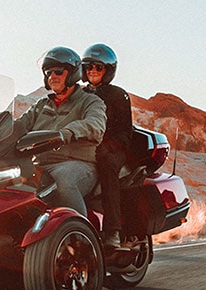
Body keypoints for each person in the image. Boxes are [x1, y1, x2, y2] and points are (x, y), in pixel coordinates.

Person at [13, 46, 107, 218]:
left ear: (72, 74)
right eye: (48, 72)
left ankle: (80, 234)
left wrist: (68, 132)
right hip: (39, 164)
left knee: (64, 181)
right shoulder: (42, 105)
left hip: (76, 164)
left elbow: (96, 124)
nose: (52, 77)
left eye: (58, 72)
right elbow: (20, 125)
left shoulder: (90, 101)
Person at [81, 43, 133, 249]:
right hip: (85, 146)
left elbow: (125, 133)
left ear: (108, 70)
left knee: (107, 166)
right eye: (88, 67)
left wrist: (107, 147)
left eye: (98, 67)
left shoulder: (118, 95)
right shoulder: (79, 94)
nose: (92, 70)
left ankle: (112, 231)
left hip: (113, 150)